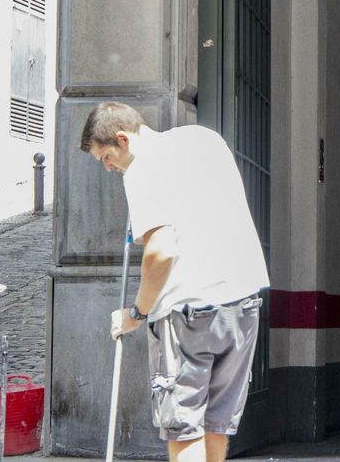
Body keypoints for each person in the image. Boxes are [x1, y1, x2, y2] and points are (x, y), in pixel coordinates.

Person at [82, 102, 270, 462]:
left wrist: (137, 313)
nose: (108, 167)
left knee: (184, 429)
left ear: (123, 138)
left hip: (189, 310)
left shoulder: (140, 170)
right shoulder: (205, 139)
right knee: (216, 424)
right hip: (243, 302)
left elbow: (161, 251)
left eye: (106, 156)